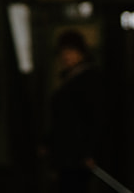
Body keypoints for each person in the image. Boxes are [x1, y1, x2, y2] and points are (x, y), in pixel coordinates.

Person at [45, 29, 109, 193]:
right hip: (70, 152)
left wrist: (90, 151)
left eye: (70, 51)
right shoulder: (71, 78)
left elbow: (95, 117)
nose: (66, 57)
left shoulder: (89, 80)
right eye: (63, 52)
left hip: (78, 153)